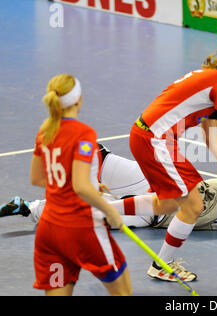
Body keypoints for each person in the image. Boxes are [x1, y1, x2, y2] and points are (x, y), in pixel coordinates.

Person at [126, 38, 217, 282]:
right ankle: (162, 265)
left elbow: (209, 134)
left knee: (168, 204)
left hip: (145, 134)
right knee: (194, 206)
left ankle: (98, 212)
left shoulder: (209, 75)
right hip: (156, 140)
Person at [0, 146, 217, 231]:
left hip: (152, 216)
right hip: (155, 186)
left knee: (91, 216)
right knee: (101, 158)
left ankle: (29, 207)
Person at [28, 74, 132, 296]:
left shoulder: (45, 132)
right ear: (78, 100)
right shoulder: (84, 134)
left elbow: (37, 178)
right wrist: (109, 211)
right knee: (123, 291)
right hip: (81, 228)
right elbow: (80, 186)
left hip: (49, 231)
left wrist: (89, 185)